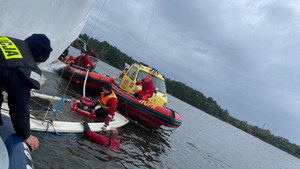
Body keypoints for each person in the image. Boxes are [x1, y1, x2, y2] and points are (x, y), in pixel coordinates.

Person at [0, 34, 53, 151]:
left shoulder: (9, 40)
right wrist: (26, 134)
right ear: (39, 59)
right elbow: (19, 104)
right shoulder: (24, 66)